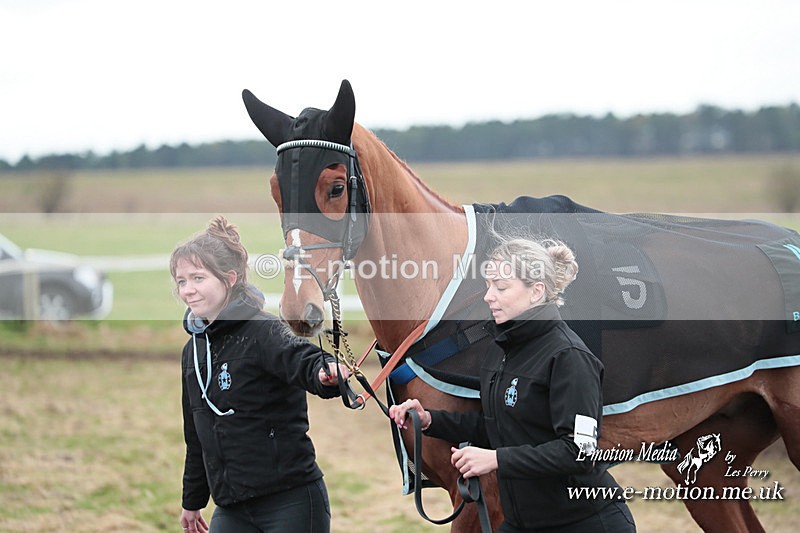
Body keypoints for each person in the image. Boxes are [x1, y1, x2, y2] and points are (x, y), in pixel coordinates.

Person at [389, 238, 636, 532]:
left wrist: (496, 459)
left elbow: (579, 453)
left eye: (501, 287)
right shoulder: (501, 349)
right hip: (521, 523)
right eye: (488, 286)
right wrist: (430, 420)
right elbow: (500, 427)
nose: (488, 296)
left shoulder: (569, 357)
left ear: (536, 291)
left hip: (586, 523)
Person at [171, 215, 349, 533]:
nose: (188, 290)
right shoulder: (192, 351)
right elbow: (196, 435)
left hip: (290, 503)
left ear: (229, 278)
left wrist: (325, 372)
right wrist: (192, 500)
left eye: (198, 278)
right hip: (231, 509)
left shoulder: (263, 331)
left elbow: (303, 358)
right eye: (181, 281)